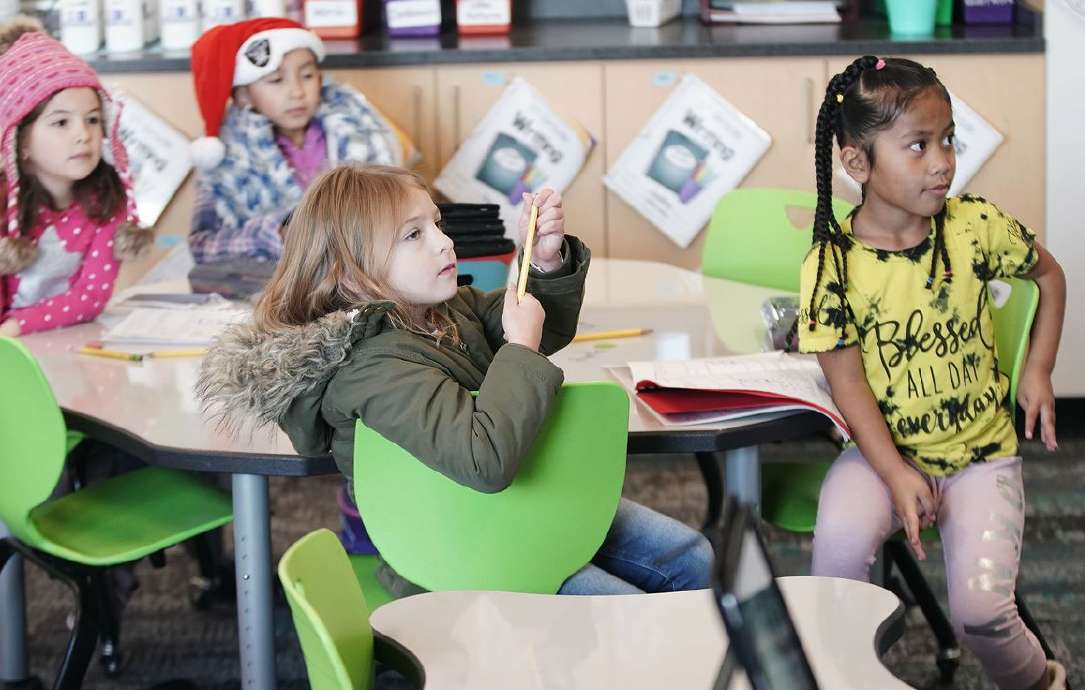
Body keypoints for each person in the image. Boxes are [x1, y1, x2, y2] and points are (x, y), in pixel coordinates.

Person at [197, 165, 713, 595]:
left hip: (526, 507)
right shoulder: (372, 369)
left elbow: (537, 321)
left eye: (437, 225)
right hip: (459, 553)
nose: (445, 244)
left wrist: (546, 259)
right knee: (618, 609)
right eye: (414, 235)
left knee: (693, 556)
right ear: (350, 274)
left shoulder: (442, 310)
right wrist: (518, 348)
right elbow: (482, 459)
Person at [800, 56, 1068, 690]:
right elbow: (847, 384)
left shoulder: (975, 227)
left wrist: (1039, 368)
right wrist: (893, 471)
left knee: (982, 616)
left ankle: (1043, 681)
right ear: (857, 163)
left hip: (980, 457)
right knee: (832, 570)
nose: (943, 160)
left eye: (948, 138)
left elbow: (1049, 276)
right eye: (918, 146)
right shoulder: (831, 266)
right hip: (880, 455)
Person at [187, 18, 403, 264]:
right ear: (243, 95)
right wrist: (272, 236)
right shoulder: (226, 162)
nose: (297, 92)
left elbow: (400, 212)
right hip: (273, 290)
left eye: (307, 75)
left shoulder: (360, 133)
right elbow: (201, 246)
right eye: (277, 80)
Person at [0, 17, 151, 337]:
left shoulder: (109, 201)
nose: (83, 135)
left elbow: (91, 297)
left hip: (63, 341)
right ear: (21, 141)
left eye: (93, 119)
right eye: (60, 123)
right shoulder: (4, 207)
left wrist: (16, 326)